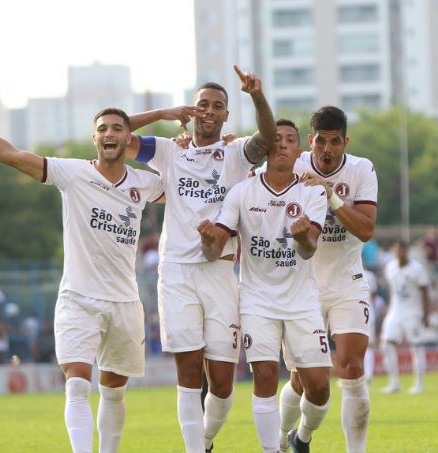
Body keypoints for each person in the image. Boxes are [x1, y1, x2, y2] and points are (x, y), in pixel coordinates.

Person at [0, 98, 187, 453]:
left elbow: (192, 189)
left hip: (124, 301)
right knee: (76, 384)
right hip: (78, 298)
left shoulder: (145, 183)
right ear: (93, 138)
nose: (109, 133)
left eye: (118, 128)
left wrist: (169, 120)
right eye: (101, 128)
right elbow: (10, 154)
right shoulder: (71, 172)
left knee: (114, 392)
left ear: (128, 136)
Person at [126, 65, 275, 452]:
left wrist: (256, 96)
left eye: (218, 106)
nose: (209, 111)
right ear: (191, 111)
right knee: (189, 373)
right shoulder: (167, 150)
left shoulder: (236, 152)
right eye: (202, 105)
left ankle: (205, 439)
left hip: (222, 272)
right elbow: (119, 132)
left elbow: (269, 138)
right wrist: (161, 113)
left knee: (223, 384)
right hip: (176, 273)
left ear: (227, 114)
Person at [198, 119, 330, 453]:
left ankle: (299, 438)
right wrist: (206, 239)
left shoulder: (313, 191)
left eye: (290, 140)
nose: (283, 144)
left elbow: (309, 248)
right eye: (277, 139)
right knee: (266, 376)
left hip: (302, 300)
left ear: (299, 150)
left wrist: (302, 238)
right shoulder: (242, 192)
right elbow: (216, 246)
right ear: (266, 146)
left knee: (318, 388)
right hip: (256, 299)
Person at [269, 107, 377, 453]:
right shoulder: (292, 165)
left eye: (335, 142)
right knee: (302, 381)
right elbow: (246, 172)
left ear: (346, 141)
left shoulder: (361, 169)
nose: (327, 150)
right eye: (320, 142)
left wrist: (330, 195)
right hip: (302, 287)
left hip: (347, 281)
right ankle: (286, 440)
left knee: (351, 366)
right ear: (309, 141)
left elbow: (366, 229)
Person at [381, 241, 430, 394]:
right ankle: (394, 383)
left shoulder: (417, 269)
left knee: (416, 347)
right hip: (395, 312)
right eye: (397, 250)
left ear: (407, 251)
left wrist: (426, 314)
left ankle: (419, 384)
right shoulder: (390, 267)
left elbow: (425, 292)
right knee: (386, 344)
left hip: (413, 313)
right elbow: (392, 291)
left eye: (402, 250)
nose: (400, 253)